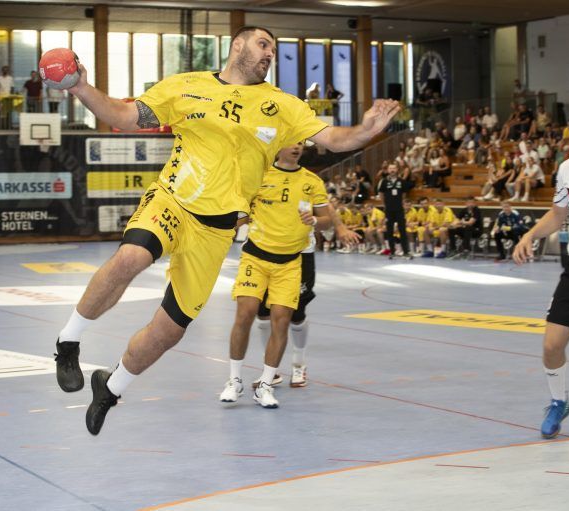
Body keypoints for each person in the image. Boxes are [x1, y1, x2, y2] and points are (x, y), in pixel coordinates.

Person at [51, 26, 400, 435]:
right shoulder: (186, 86)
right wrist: (80, 87)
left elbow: (337, 139)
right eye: (263, 44)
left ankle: (109, 389)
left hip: (216, 231)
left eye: (274, 49)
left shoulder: (282, 105)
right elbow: (124, 116)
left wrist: (367, 128)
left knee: (168, 332)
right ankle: (68, 342)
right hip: (173, 200)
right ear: (238, 45)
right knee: (131, 256)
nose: (270, 53)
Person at [513, 107, 569, 454]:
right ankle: (558, 402)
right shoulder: (568, 169)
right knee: (552, 345)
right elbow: (558, 215)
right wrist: (530, 236)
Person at [220, 142, 331, 407]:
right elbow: (240, 213)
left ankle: (267, 384)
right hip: (256, 257)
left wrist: (315, 221)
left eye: (301, 144)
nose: (297, 148)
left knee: (282, 321)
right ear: (279, 148)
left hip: (291, 262)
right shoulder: (259, 175)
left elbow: (326, 218)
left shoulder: (312, 181)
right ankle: (234, 381)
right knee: (245, 313)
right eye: (292, 144)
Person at [376, 162, 413, 259]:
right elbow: (381, 194)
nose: (392, 170)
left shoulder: (402, 181)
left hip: (399, 210)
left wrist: (400, 203)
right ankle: (392, 251)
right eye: (390, 168)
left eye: (394, 168)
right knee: (389, 231)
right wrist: (385, 204)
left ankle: (406, 252)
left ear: (397, 170)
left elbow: (404, 194)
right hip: (389, 210)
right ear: (388, 170)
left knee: (402, 230)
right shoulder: (383, 181)